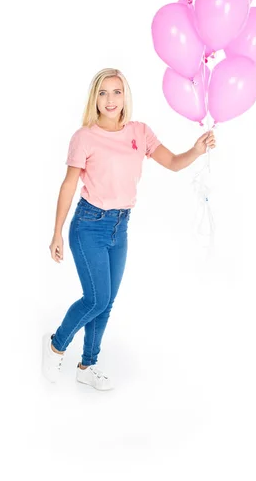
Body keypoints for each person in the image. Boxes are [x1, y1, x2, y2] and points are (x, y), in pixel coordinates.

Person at [42, 67, 216, 390]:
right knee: (96, 298)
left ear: (126, 97)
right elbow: (68, 186)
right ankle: (55, 345)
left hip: (119, 228)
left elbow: (174, 162)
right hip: (88, 226)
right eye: (104, 93)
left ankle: (87, 365)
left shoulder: (140, 132)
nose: (110, 100)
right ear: (95, 98)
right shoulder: (84, 137)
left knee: (106, 302)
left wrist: (196, 149)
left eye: (117, 92)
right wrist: (56, 232)